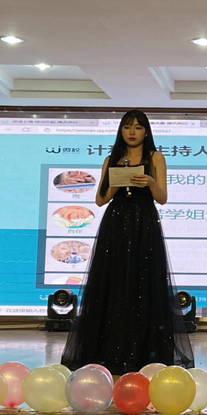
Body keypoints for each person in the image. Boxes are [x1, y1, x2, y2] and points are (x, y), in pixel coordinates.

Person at [61, 109, 194, 374]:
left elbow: (162, 197)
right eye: (127, 127)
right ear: (121, 131)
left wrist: (149, 181)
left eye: (138, 127)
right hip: (116, 222)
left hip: (144, 222)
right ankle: (109, 350)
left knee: (144, 281)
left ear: (146, 132)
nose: (132, 132)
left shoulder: (155, 157)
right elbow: (100, 200)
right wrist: (117, 180)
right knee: (113, 281)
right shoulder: (111, 159)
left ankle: (145, 352)